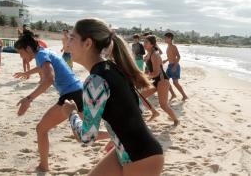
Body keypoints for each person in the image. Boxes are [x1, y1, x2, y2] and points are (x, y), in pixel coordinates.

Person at [61, 18, 164, 176]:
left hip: (139, 157)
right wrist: (115, 136)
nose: (67, 44)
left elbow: (87, 136)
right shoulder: (112, 68)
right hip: (132, 150)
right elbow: (136, 109)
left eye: (72, 38)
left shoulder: (95, 81)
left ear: (88, 43)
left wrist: (71, 113)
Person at [13, 30, 83, 172]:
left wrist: (29, 99)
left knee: (41, 129)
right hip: (79, 91)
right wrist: (27, 73)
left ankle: (43, 166)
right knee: (82, 136)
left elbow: (49, 78)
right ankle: (115, 137)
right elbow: (43, 68)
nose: (22, 57)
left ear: (28, 48)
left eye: (21, 53)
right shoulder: (45, 52)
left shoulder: (41, 55)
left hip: (70, 95)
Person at [141, 35, 179, 126]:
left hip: (162, 81)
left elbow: (156, 72)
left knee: (163, 105)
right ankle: (154, 112)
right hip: (156, 81)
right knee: (141, 97)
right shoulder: (148, 54)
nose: (144, 44)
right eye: (144, 42)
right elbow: (148, 70)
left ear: (152, 44)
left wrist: (144, 78)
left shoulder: (155, 54)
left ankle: (176, 120)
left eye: (146, 42)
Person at [163, 32, 188, 101]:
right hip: (170, 65)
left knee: (175, 83)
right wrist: (166, 60)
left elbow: (179, 57)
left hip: (175, 66)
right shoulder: (168, 47)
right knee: (165, 81)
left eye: (165, 38)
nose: (164, 39)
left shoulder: (173, 47)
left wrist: (174, 66)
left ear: (170, 38)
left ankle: (184, 95)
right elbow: (171, 56)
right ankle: (173, 94)